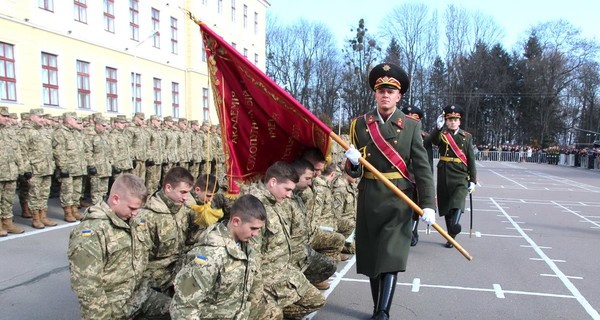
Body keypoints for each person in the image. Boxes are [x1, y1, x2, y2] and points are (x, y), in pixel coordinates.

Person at [344, 63, 436, 320]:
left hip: (399, 198)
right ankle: (377, 308)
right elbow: (354, 173)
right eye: (381, 90)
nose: (385, 95)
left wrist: (428, 203)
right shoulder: (359, 125)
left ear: (399, 96)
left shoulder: (411, 126)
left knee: (391, 254)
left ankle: (383, 311)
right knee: (373, 256)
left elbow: (422, 167)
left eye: (390, 91)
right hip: (370, 195)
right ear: (375, 94)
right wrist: (352, 162)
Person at [67, 173, 171, 319]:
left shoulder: (132, 221)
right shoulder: (92, 233)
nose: (136, 214)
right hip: (113, 308)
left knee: (179, 311)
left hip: (139, 296)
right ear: (115, 199)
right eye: (132, 208)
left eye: (138, 209)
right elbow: (88, 288)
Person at [170, 194, 282, 320]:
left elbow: (254, 292)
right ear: (236, 221)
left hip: (239, 314)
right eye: (253, 228)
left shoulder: (246, 247)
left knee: (274, 312)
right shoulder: (209, 256)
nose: (256, 234)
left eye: (259, 229)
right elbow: (184, 307)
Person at [246, 161, 325, 319]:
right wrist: (257, 297)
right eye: (287, 189)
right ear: (273, 182)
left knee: (317, 300)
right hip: (268, 276)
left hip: (284, 268)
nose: (289, 195)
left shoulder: (277, 201)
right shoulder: (255, 206)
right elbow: (252, 258)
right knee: (274, 314)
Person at [141, 166, 194, 295]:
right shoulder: (149, 216)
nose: (186, 197)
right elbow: (139, 260)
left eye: (188, 192)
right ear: (168, 188)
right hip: (155, 283)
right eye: (183, 192)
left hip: (178, 275)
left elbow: (190, 241)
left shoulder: (183, 209)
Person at [431, 104, 477, 248]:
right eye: (449, 119)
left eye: (455, 120)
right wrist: (437, 128)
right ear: (446, 121)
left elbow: (471, 159)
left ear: (459, 121)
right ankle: (451, 235)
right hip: (444, 172)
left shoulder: (466, 137)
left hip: (461, 174)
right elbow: (433, 141)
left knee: (457, 201)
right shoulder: (442, 134)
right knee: (446, 206)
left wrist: (473, 180)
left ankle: (455, 227)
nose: (452, 122)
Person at [401, 105, 433, 247]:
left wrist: (427, 181)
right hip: (402, 175)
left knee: (415, 208)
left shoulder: (424, 138)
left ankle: (413, 232)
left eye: (413, 119)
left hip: (416, 177)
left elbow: (427, 161)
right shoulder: (399, 135)